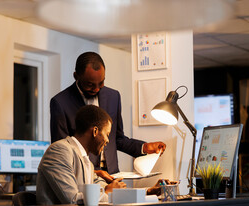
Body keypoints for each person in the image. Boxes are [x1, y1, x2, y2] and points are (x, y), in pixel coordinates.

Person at [37, 105, 165, 206]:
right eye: (107, 134)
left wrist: (147, 191)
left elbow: (106, 191)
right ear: (95, 131)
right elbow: (72, 199)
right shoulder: (59, 151)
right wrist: (108, 192)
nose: (108, 140)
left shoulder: (86, 161)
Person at [50, 51, 166, 181]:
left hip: (113, 174)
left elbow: (118, 139)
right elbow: (61, 151)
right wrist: (93, 172)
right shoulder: (60, 103)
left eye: (101, 83)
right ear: (76, 76)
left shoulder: (113, 97)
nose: (97, 89)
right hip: (82, 177)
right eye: (90, 85)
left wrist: (145, 148)